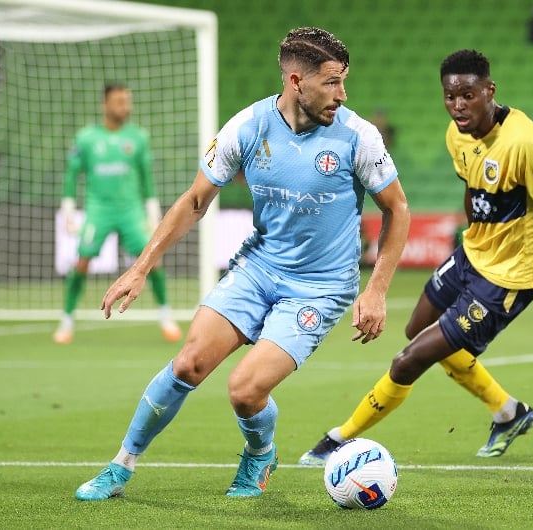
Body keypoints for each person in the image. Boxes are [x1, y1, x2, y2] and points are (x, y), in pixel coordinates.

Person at [73, 27, 410, 501]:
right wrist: (140, 267)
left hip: (319, 287)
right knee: (188, 363)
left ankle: (260, 453)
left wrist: (375, 290)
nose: (342, 94)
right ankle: (120, 466)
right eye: (331, 83)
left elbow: (397, 208)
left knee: (245, 390)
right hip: (257, 268)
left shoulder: (358, 135)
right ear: (297, 81)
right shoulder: (247, 127)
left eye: (343, 81)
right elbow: (194, 200)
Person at [299, 48, 533, 465]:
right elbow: (471, 185)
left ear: (490, 90)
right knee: (417, 330)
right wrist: (469, 240)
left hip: (509, 276)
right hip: (472, 254)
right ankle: (509, 413)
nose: (458, 106)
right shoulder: (457, 134)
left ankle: (338, 439)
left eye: (468, 95)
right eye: (450, 97)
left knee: (409, 359)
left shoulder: (525, 142)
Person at [54, 83, 182, 345]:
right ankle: (66, 320)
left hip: (130, 211)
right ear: (106, 105)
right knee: (82, 263)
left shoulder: (138, 137)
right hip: (98, 210)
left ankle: (166, 316)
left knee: (152, 261)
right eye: (120, 102)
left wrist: (152, 212)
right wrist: (67, 208)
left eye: (128, 101)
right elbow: (71, 174)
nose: (126, 107)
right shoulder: (87, 138)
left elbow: (147, 179)